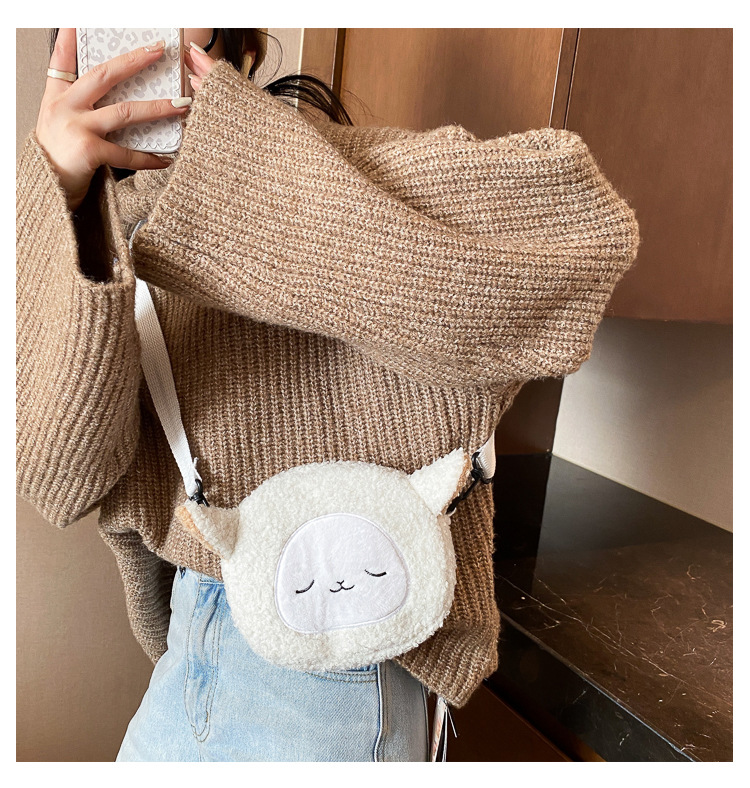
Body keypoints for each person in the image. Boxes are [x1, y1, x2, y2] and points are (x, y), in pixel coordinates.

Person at [17, 28, 641, 762]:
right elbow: (60, 481)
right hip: (192, 651)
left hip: (347, 671)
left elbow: (582, 236)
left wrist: (247, 164)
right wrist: (65, 201)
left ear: (235, 36)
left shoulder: (344, 168)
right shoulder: (102, 220)